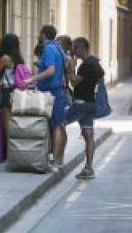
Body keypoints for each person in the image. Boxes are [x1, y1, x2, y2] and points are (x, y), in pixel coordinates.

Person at [22, 25, 68, 168]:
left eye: (40, 33)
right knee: (58, 126)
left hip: (49, 92)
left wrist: (32, 79)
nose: (38, 36)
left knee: (53, 126)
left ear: (43, 34)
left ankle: (53, 159)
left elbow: (51, 70)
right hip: (59, 91)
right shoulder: (59, 48)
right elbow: (67, 64)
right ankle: (57, 159)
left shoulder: (48, 48)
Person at [65, 37, 104, 179]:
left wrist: (71, 69)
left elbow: (74, 82)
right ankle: (88, 168)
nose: (73, 51)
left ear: (82, 49)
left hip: (81, 103)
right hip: (91, 103)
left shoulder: (86, 65)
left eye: (75, 48)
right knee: (88, 135)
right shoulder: (95, 63)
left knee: (58, 123)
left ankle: (55, 158)